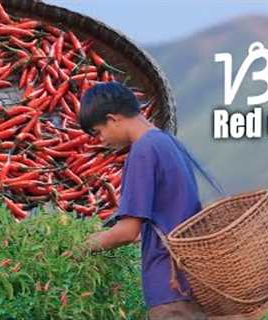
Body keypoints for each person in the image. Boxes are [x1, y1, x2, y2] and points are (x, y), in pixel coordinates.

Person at [78, 81, 208, 320]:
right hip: (193, 281)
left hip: (169, 287)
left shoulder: (142, 151)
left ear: (113, 118)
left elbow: (128, 231)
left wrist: (80, 249)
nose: (101, 141)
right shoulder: (168, 143)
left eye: (98, 132)